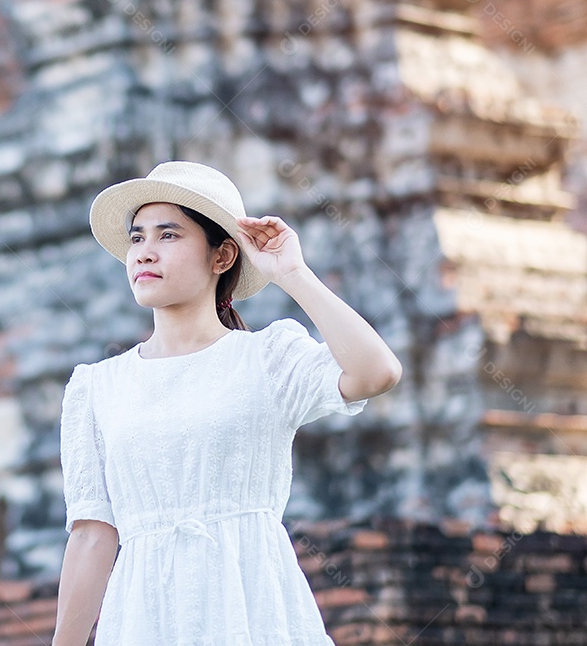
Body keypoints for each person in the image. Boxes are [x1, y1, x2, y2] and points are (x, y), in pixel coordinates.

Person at [52, 160, 402, 645]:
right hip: (143, 617)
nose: (145, 253)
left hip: (253, 608)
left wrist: (292, 273)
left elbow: (376, 372)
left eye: (168, 235)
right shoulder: (96, 387)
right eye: (137, 238)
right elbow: (92, 536)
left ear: (222, 257)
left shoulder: (268, 357)